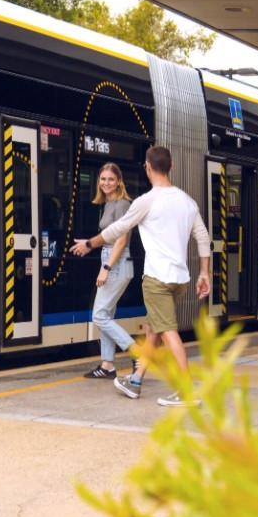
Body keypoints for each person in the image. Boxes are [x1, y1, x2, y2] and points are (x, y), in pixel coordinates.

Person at [70, 146, 211, 407]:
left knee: (167, 331)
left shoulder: (146, 201)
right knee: (153, 329)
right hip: (180, 279)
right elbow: (203, 237)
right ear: (171, 167)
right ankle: (135, 381)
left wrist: (89, 244)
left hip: (157, 279)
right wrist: (204, 272)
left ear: (147, 167)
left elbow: (117, 230)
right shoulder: (187, 201)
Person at [81, 163, 137, 379]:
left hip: (116, 262)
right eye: (103, 179)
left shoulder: (122, 204)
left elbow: (121, 241)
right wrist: (90, 247)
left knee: (99, 315)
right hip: (112, 259)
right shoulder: (109, 203)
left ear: (119, 181)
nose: (106, 183)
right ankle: (107, 366)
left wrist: (106, 268)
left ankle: (137, 352)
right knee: (107, 315)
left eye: (111, 179)